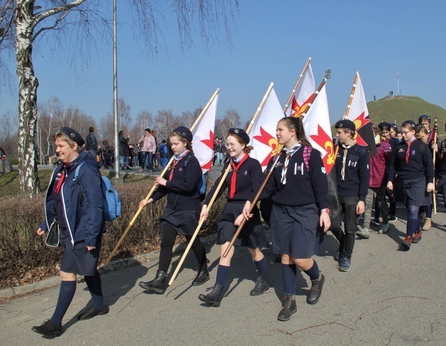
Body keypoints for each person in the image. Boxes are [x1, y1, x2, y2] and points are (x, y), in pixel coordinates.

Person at [32, 127, 108, 337]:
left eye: (60, 146)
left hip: (83, 231)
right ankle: (100, 304)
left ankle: (55, 323)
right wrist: (47, 223)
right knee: (88, 268)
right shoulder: (62, 169)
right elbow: (56, 201)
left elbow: (95, 205)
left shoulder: (86, 169)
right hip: (68, 230)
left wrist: (92, 235)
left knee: (67, 272)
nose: (56, 150)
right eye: (56, 146)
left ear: (74, 146)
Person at [259, 116, 330, 322]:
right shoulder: (277, 159)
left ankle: (317, 278)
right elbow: (268, 187)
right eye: (276, 129)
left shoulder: (311, 155)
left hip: (305, 211)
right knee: (285, 255)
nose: (277, 133)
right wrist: (248, 201)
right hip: (281, 212)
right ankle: (289, 300)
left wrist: (324, 210)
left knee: (299, 257)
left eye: (280, 129)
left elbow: (320, 185)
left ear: (293, 131)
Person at [198, 128, 269, 307]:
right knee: (225, 250)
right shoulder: (229, 165)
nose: (228, 147)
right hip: (230, 210)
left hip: (247, 210)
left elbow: (257, 189)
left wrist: (249, 204)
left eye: (232, 144)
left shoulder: (253, 165)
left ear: (243, 145)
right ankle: (218, 290)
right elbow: (218, 188)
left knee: (254, 250)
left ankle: (263, 278)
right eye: (227, 144)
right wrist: (206, 204)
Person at [138, 126, 209, 294]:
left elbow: (188, 186)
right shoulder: (173, 162)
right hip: (171, 210)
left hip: (188, 209)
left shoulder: (192, 162)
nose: (173, 147)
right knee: (166, 243)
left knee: (193, 242)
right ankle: (160, 279)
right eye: (171, 144)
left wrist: (166, 183)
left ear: (185, 143)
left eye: (176, 143)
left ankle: (203, 268)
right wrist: (151, 199)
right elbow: (165, 188)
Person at [387, 120, 434, 250]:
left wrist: (430, 181)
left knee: (413, 209)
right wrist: (390, 180)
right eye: (401, 132)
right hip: (402, 181)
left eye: (405, 132)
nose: (403, 135)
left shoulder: (421, 146)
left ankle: (408, 237)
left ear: (413, 132)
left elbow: (429, 166)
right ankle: (417, 231)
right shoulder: (399, 147)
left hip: (418, 181)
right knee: (409, 208)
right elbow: (393, 166)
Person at [334, 119, 369, 269]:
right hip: (336, 194)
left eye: (340, 132)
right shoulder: (335, 150)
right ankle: (343, 244)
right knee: (332, 224)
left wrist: (362, 199)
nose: (337, 135)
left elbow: (364, 178)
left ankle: (346, 256)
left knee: (350, 228)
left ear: (349, 133)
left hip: (352, 195)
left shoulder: (361, 151)